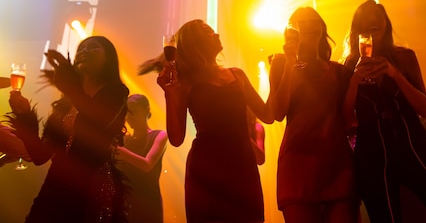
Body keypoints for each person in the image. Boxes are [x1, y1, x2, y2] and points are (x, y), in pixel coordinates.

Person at [342, 0, 426, 223]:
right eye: (367, 24)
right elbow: (345, 121)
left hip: (411, 140)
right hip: (372, 148)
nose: (373, 27)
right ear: (357, 31)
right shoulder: (347, 68)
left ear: (386, 25)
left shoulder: (404, 57)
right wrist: (355, 79)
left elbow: (425, 108)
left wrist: (394, 74)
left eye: (378, 21)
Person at [143, 19, 273, 223]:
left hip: (242, 166)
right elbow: (176, 138)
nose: (217, 35)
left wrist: (278, 75)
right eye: (209, 33)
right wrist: (170, 94)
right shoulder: (186, 83)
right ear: (196, 43)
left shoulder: (237, 75)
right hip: (206, 169)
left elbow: (268, 114)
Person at [7, 36, 130, 223]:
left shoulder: (117, 93)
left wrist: (70, 85)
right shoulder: (66, 103)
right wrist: (25, 115)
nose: (85, 51)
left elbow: (97, 123)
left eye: (93, 47)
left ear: (109, 58)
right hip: (55, 186)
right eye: (81, 48)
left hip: (91, 187)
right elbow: (40, 155)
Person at [269, 6, 359, 223]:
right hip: (298, 164)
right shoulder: (281, 63)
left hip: (337, 163)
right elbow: (277, 112)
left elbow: (350, 118)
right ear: (292, 31)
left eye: (313, 21)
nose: (308, 26)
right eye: (301, 23)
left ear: (322, 27)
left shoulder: (338, 71)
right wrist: (291, 63)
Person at [115, 94, 168, 223]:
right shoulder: (124, 140)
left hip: (148, 204)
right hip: (126, 202)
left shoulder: (159, 136)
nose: (129, 117)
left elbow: (147, 165)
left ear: (147, 110)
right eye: (127, 113)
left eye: (133, 112)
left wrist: (118, 150)